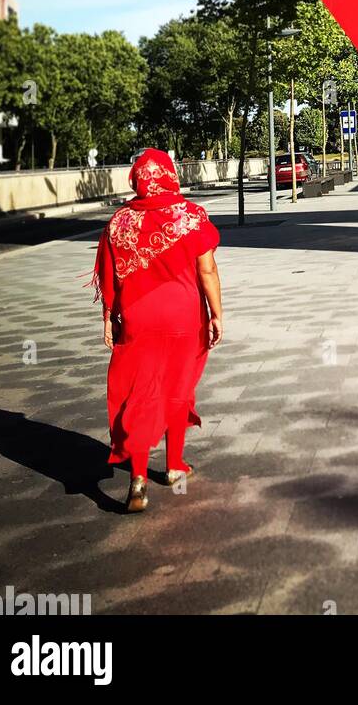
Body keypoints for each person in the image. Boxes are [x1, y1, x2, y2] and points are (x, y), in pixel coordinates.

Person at [91, 148, 223, 513]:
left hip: (137, 320)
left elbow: (109, 278)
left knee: (140, 393)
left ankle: (137, 478)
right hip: (183, 319)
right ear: (169, 174)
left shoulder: (119, 222)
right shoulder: (190, 217)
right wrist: (216, 313)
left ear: (137, 179)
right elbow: (207, 271)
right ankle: (174, 468)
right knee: (177, 389)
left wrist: (108, 318)